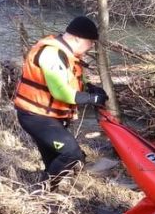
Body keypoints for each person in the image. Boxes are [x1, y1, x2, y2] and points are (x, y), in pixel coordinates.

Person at [13, 15, 109, 186]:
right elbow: (60, 92)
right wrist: (90, 98)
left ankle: (45, 193)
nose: (92, 46)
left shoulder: (67, 54)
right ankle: (39, 191)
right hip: (36, 116)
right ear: (77, 38)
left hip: (49, 117)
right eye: (90, 42)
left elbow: (72, 79)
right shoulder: (51, 53)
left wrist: (90, 88)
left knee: (55, 162)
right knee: (72, 154)